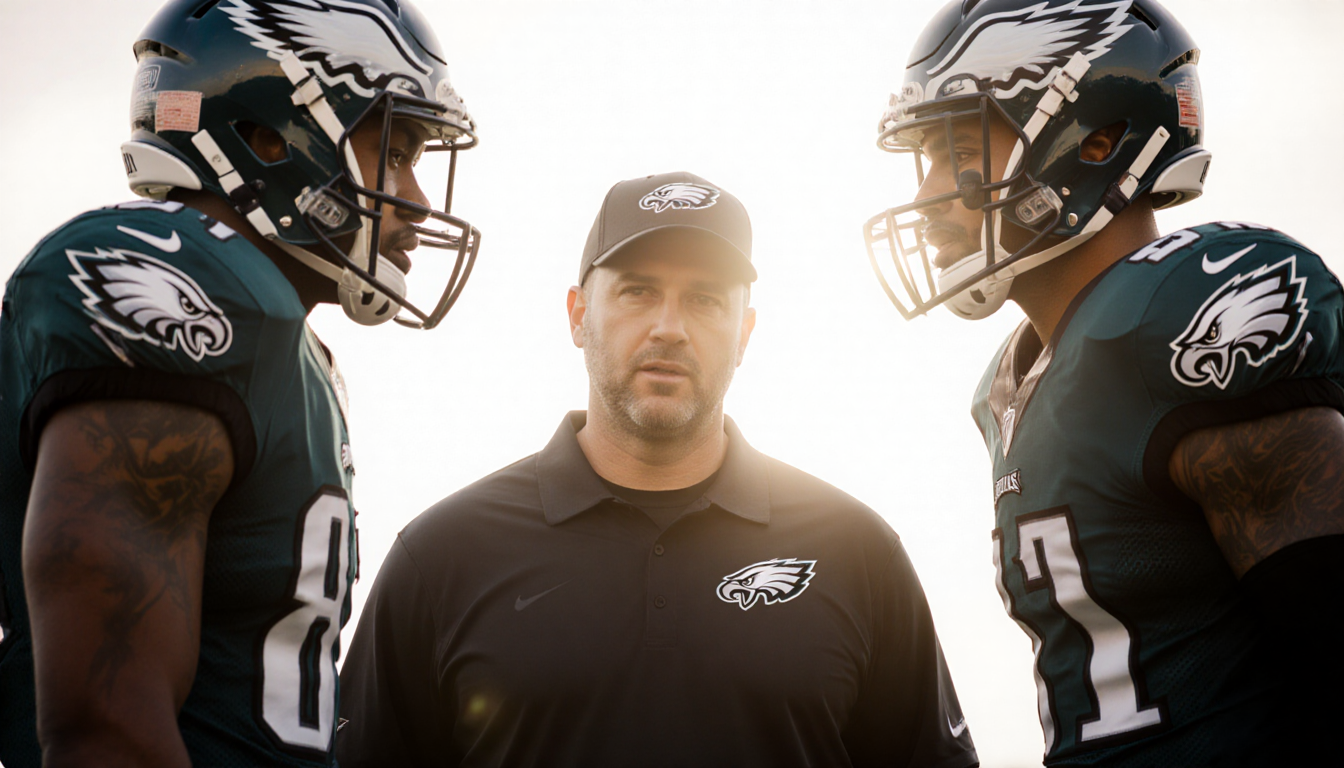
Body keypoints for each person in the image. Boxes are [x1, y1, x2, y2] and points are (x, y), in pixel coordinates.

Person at [337, 171, 979, 768]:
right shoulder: (444, 556)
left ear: (744, 335)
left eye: (705, 300)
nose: (669, 328)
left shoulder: (857, 552)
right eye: (638, 291)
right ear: (578, 315)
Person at [863, 0, 1344, 765]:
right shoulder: (1008, 388)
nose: (925, 196)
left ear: (1093, 139)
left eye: (954, 149)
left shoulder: (1185, 311)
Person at [0, 0, 480, 765]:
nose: (417, 200)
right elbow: (106, 729)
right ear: (270, 138)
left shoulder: (280, 339)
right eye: (395, 150)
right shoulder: (180, 281)